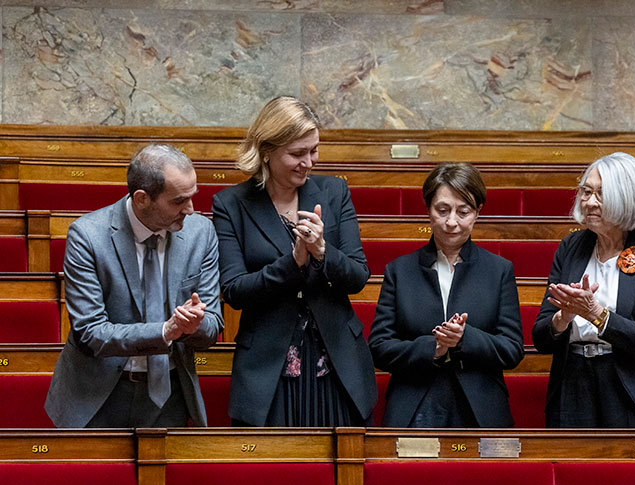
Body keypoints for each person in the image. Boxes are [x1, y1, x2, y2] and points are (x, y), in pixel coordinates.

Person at [212, 96, 376, 427]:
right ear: (267, 151)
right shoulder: (231, 204)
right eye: (297, 153)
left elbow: (358, 275)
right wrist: (293, 261)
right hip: (269, 369)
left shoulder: (334, 192)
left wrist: (322, 251)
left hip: (336, 365)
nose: (309, 162)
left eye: (313, 150)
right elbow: (234, 290)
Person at [45, 144, 222, 428]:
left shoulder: (201, 233)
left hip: (171, 395)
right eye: (179, 201)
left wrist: (193, 326)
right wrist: (165, 331)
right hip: (98, 396)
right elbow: (90, 332)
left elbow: (212, 325)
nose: (190, 209)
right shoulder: (88, 236)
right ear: (142, 199)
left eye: (192, 196)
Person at [531, 152, 635, 428]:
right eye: (586, 192)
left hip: (632, 389)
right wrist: (563, 318)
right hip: (574, 385)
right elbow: (541, 337)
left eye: (601, 194)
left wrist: (596, 314)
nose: (589, 202)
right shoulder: (570, 247)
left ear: (629, 198)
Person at [369, 162, 524, 427]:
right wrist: (434, 348)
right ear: (428, 209)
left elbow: (512, 350)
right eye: (442, 210)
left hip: (481, 406)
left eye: (463, 212)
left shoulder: (499, 270)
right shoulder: (399, 270)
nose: (451, 222)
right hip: (414, 404)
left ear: (477, 213)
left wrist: (464, 338)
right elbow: (380, 347)